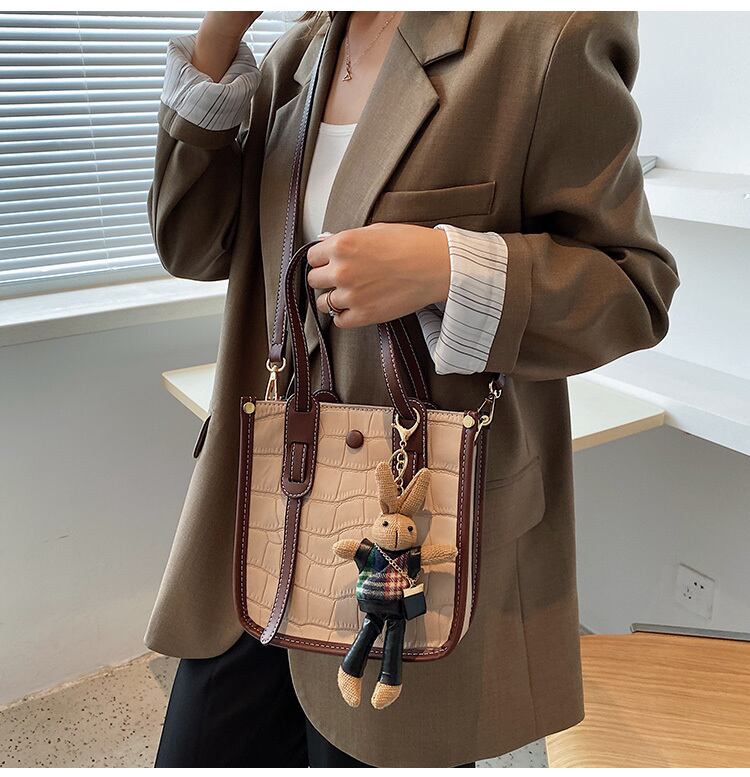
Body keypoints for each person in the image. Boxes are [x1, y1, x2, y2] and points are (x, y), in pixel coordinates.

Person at [147, 10, 679, 768]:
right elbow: (194, 246)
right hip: (264, 510)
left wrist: (446, 268)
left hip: (410, 533)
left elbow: (633, 290)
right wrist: (217, 42)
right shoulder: (299, 52)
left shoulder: (544, 37)